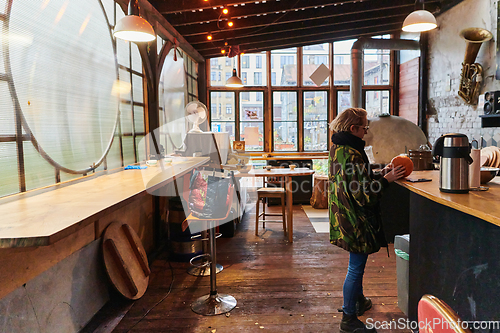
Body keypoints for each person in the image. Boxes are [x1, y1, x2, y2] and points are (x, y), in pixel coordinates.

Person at [328, 108, 406, 333]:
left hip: (344, 216)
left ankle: (358, 301)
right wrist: (387, 180)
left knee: (356, 265)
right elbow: (365, 195)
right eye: (364, 128)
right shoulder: (352, 153)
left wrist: (381, 173)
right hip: (356, 220)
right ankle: (349, 319)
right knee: (355, 268)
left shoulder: (338, 149)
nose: (366, 132)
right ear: (353, 129)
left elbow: (356, 182)